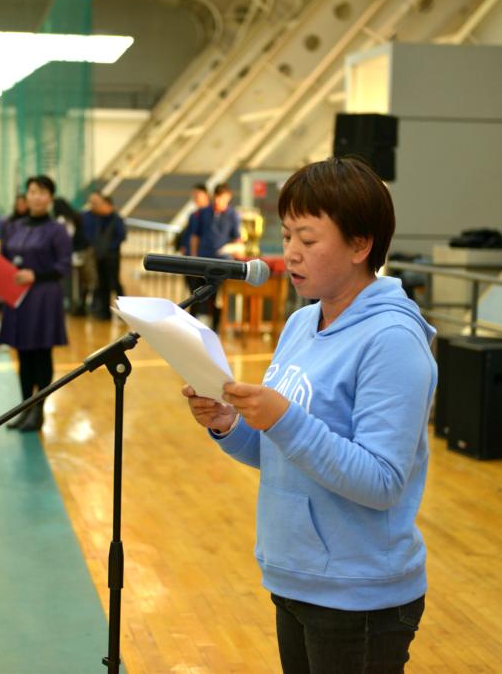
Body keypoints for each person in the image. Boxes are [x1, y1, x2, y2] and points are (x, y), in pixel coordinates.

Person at [182, 158, 436, 674]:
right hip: (297, 575)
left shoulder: (392, 339)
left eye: (308, 238)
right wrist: (228, 423)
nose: (290, 252)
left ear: (360, 245)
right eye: (286, 235)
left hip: (359, 594)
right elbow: (282, 452)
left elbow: (383, 481)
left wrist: (282, 418)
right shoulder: (302, 322)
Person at [0, 175, 71, 431]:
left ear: (50, 197)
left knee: (41, 354)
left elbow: (64, 266)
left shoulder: (57, 230)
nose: (36, 197)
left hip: (43, 297)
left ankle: (39, 410)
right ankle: (25, 407)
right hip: (17, 297)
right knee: (23, 354)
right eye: (32, 191)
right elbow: (4, 256)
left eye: (42, 192)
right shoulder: (15, 226)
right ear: (26, 196)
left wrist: (35, 275)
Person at [189, 182, 242, 330]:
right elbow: (195, 236)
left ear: (228, 197)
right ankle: (192, 326)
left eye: (222, 197)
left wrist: (235, 250)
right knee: (196, 295)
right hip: (203, 259)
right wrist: (193, 256)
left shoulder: (233, 215)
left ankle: (215, 328)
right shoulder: (204, 212)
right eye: (217, 197)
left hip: (222, 263)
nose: (218, 201)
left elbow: (237, 238)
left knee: (217, 297)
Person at [86, 193, 126, 319]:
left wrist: (110, 247)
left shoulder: (116, 219)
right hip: (100, 257)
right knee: (102, 284)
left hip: (112, 257)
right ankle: (104, 312)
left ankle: (124, 312)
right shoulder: (98, 219)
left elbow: (121, 236)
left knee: (115, 283)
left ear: (108, 205)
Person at [53, 196, 92, 316]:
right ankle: (79, 305)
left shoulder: (62, 220)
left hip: (73, 254)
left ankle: (74, 305)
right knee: (80, 282)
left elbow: (67, 238)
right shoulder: (76, 217)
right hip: (81, 253)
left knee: (71, 282)